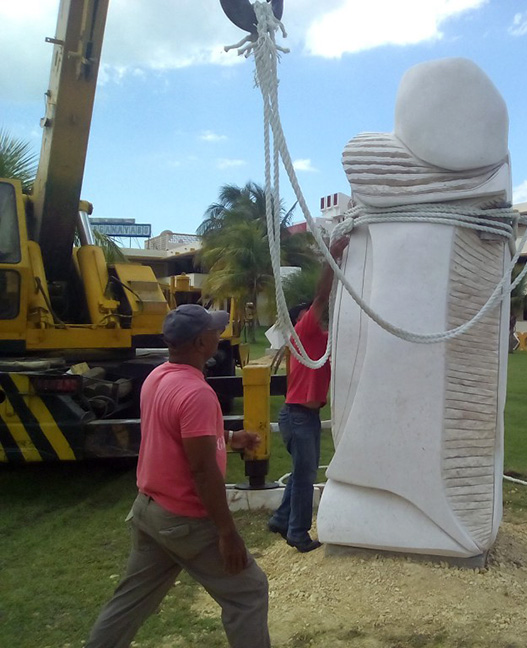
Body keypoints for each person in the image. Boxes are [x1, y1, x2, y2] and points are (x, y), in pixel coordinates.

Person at [85, 304, 271, 648]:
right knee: (249, 591)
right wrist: (227, 533)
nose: (219, 334)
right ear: (202, 342)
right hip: (185, 521)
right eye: (214, 330)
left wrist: (229, 439)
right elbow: (201, 470)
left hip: (149, 509)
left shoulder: (158, 377)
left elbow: (174, 436)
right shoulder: (198, 394)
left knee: (128, 604)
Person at [268, 237, 348, 552]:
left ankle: (281, 518)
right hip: (299, 416)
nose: (318, 315)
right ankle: (297, 534)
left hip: (303, 416)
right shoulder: (305, 331)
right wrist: (333, 257)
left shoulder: (321, 341)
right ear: (301, 318)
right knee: (304, 478)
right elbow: (322, 294)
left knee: (304, 471)